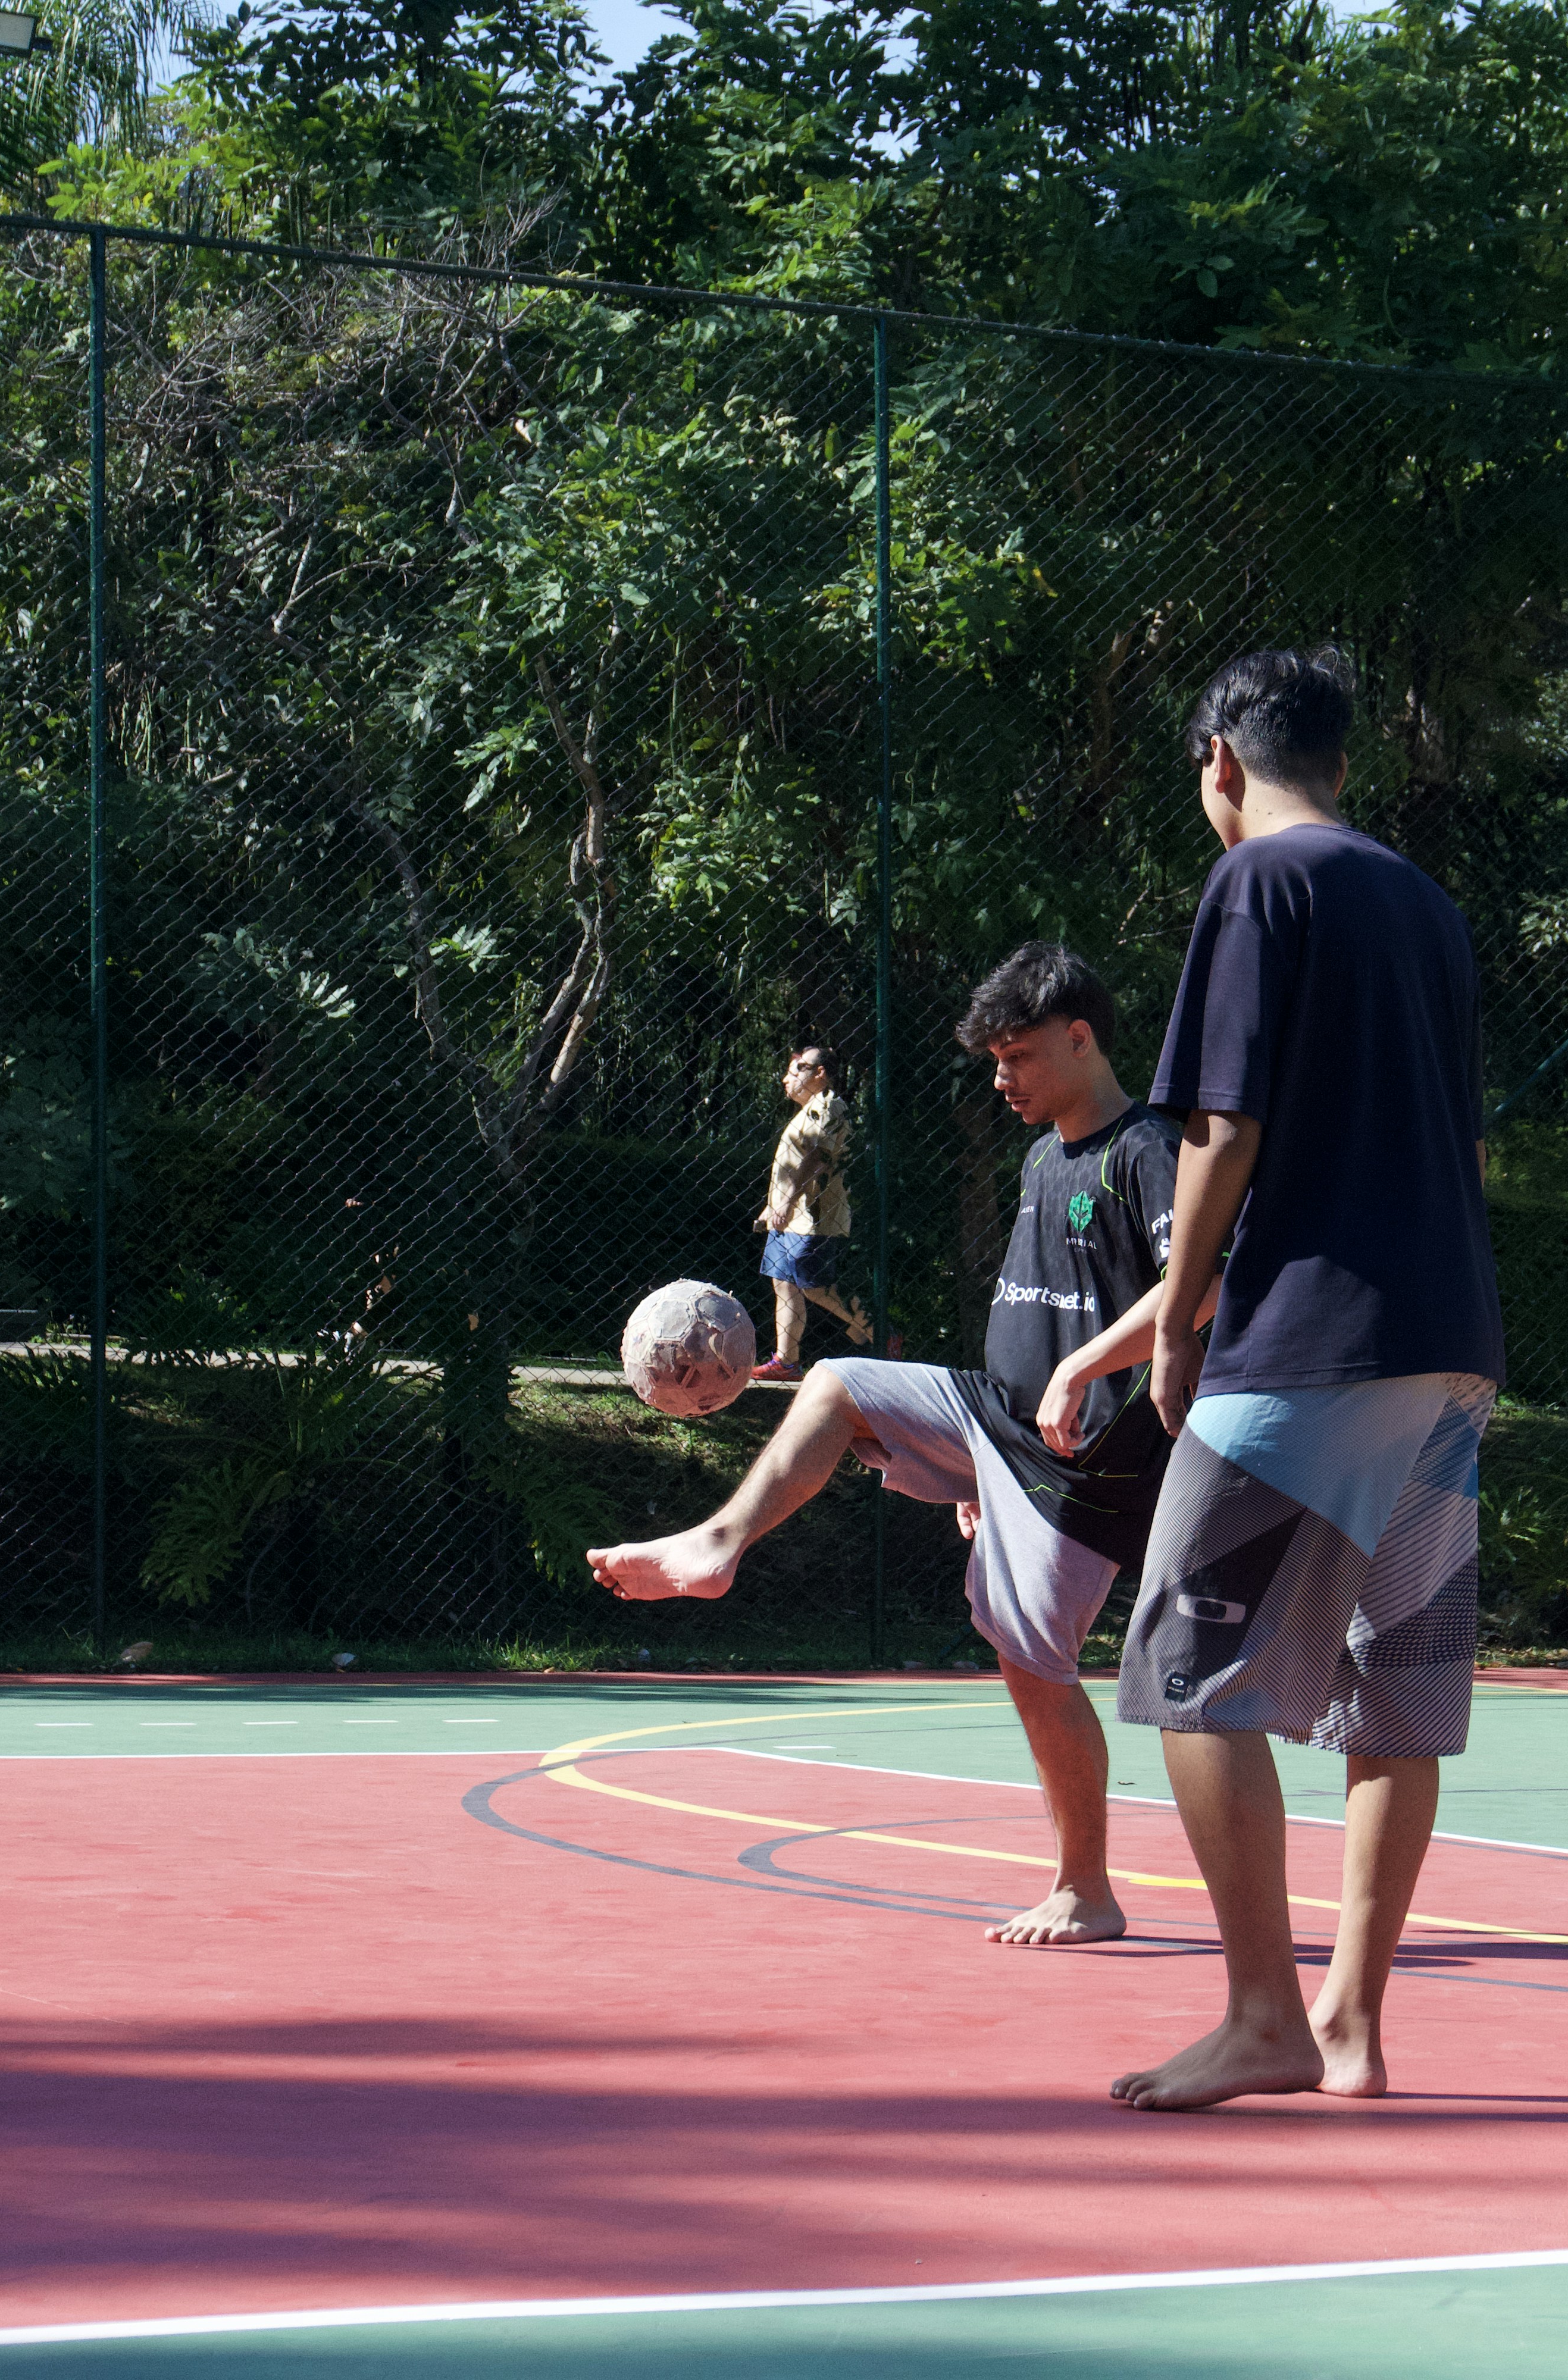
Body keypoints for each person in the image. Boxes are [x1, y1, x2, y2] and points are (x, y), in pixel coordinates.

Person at [589, 944, 1204, 1947]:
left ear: (1082, 1038)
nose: (1001, 1079)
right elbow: (1030, 1316)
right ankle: (716, 1545)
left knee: (1033, 1660)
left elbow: (1203, 1289)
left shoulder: (1145, 1149)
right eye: (993, 1061)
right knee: (834, 1381)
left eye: (1018, 1056)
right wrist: (977, 1463)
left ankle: (1086, 1888)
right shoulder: (1046, 1153)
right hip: (1004, 1426)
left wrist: (1081, 1372)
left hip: (1087, 1455)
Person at [1105, 644, 1502, 2113]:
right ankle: (1350, 2020)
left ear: (1222, 758)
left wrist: (1175, 1312)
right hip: (1448, 1342)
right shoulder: (1430, 905)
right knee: (1393, 1697)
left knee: (1188, 1670)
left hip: (1313, 1344)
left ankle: (1264, 2015)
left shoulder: (1257, 886)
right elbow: (1464, 1147)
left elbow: (1223, 1125)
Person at [755, 1045, 872, 1378]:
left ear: (820, 1074)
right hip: (789, 1217)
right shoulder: (806, 1111)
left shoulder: (830, 1106)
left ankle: (880, 1332)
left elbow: (819, 1159)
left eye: (798, 1070)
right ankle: (786, 1362)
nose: (787, 1079)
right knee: (784, 1284)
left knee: (814, 1287)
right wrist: (772, 1205)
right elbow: (790, 1165)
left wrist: (788, 1201)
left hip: (815, 1218)